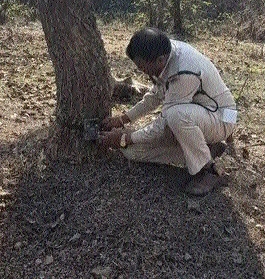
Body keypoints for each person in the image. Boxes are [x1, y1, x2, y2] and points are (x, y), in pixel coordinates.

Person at [99, 28, 237, 196]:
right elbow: (155, 96)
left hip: (224, 117)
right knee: (132, 152)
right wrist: (123, 119)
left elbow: (164, 120)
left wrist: (124, 138)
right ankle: (207, 149)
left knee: (176, 115)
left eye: (142, 66)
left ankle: (207, 170)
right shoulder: (165, 54)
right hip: (201, 116)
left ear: (159, 60)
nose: (141, 71)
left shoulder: (183, 71)